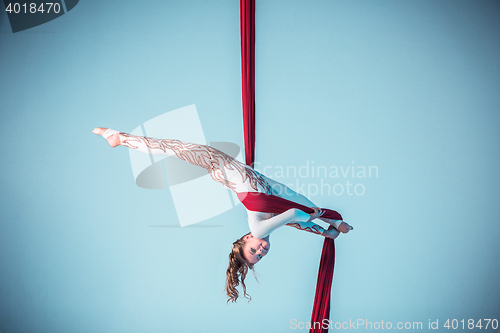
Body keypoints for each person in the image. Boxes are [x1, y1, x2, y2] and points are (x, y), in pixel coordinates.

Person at [92, 127, 353, 302]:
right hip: (245, 178)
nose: (261, 251)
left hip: (225, 167)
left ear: (247, 238)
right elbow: (296, 213)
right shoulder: (267, 223)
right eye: (260, 257)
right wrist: (328, 227)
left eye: (254, 251)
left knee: (176, 148)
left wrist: (323, 219)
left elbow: (297, 212)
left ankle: (120, 138)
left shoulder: (261, 229)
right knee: (177, 148)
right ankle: (121, 139)